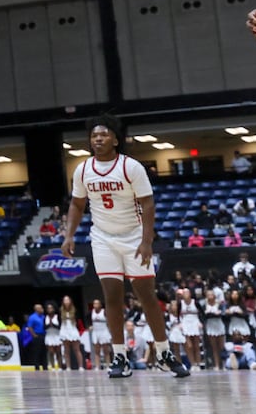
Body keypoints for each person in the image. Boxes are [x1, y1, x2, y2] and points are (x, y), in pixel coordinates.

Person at [62, 114, 190, 378]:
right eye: (94, 135)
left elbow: (148, 204)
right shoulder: (83, 170)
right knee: (112, 298)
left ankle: (164, 353)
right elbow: (76, 204)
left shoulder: (131, 167)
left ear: (115, 140)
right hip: (103, 239)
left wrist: (146, 241)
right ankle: (119, 356)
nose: (98, 138)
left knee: (147, 297)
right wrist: (69, 235)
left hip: (133, 237)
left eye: (103, 134)